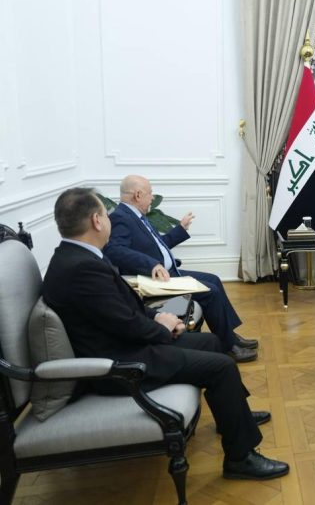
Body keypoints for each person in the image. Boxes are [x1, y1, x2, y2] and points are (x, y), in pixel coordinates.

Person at [42, 187, 288, 480]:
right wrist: (163, 328)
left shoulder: (74, 258)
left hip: (122, 346)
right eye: (106, 215)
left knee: (211, 342)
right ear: (96, 221)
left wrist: (160, 316)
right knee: (221, 367)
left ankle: (236, 416)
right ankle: (240, 458)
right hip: (121, 365)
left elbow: (118, 312)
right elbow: (126, 325)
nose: (109, 220)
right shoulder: (83, 268)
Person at [104, 175, 257, 362]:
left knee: (214, 279)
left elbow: (157, 247)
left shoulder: (136, 216)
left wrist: (180, 229)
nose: (152, 197)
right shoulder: (121, 217)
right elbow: (114, 250)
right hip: (152, 281)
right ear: (138, 195)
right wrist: (151, 264)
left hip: (168, 274)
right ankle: (228, 346)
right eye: (150, 193)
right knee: (210, 291)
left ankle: (230, 336)